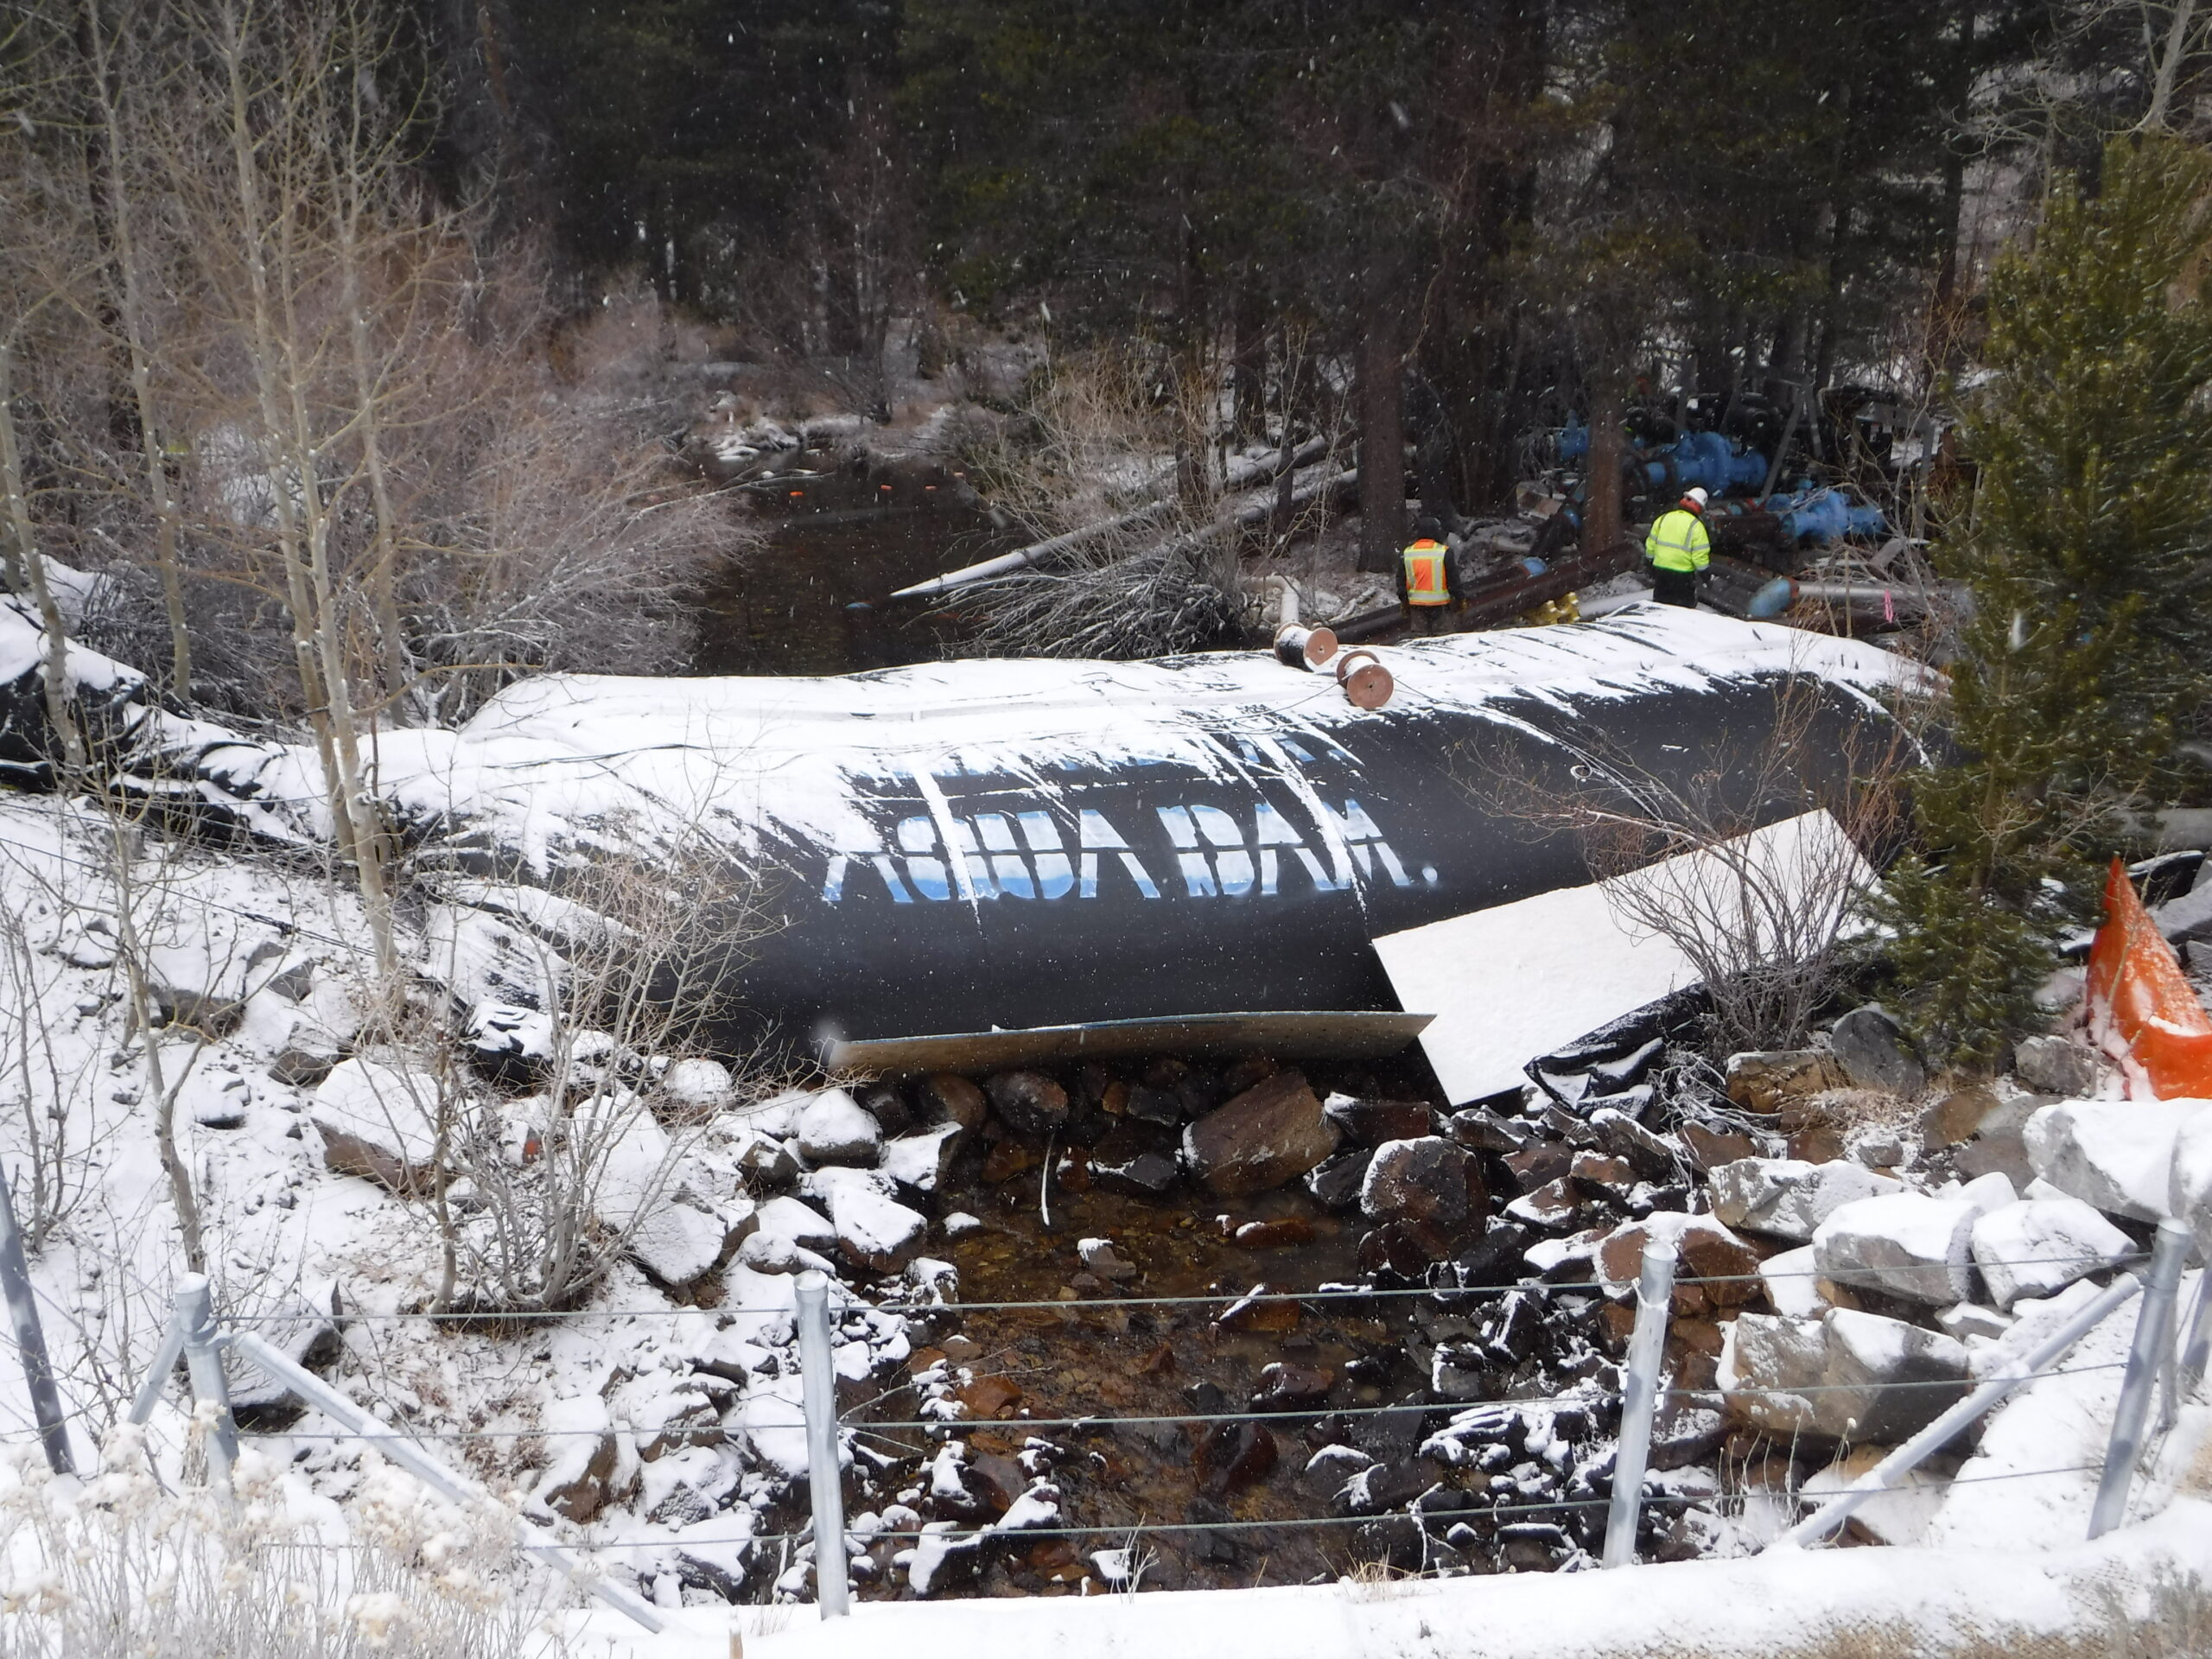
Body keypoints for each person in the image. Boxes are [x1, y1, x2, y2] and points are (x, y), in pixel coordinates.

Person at [1644, 486, 1711, 608]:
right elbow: (1699, 557)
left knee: (1660, 608)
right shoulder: (1697, 526)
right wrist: (1706, 576)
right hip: (1682, 576)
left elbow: (1650, 545)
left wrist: (1649, 563)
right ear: (1699, 506)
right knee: (1681, 612)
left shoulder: (1663, 519)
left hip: (1661, 572)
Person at [1399, 517, 1457, 635]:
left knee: (1420, 640)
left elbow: (1401, 580)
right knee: (1444, 639)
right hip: (1441, 606)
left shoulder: (1408, 553)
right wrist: (1460, 599)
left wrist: (1404, 601)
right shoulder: (1444, 552)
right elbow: (1453, 580)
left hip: (1417, 607)